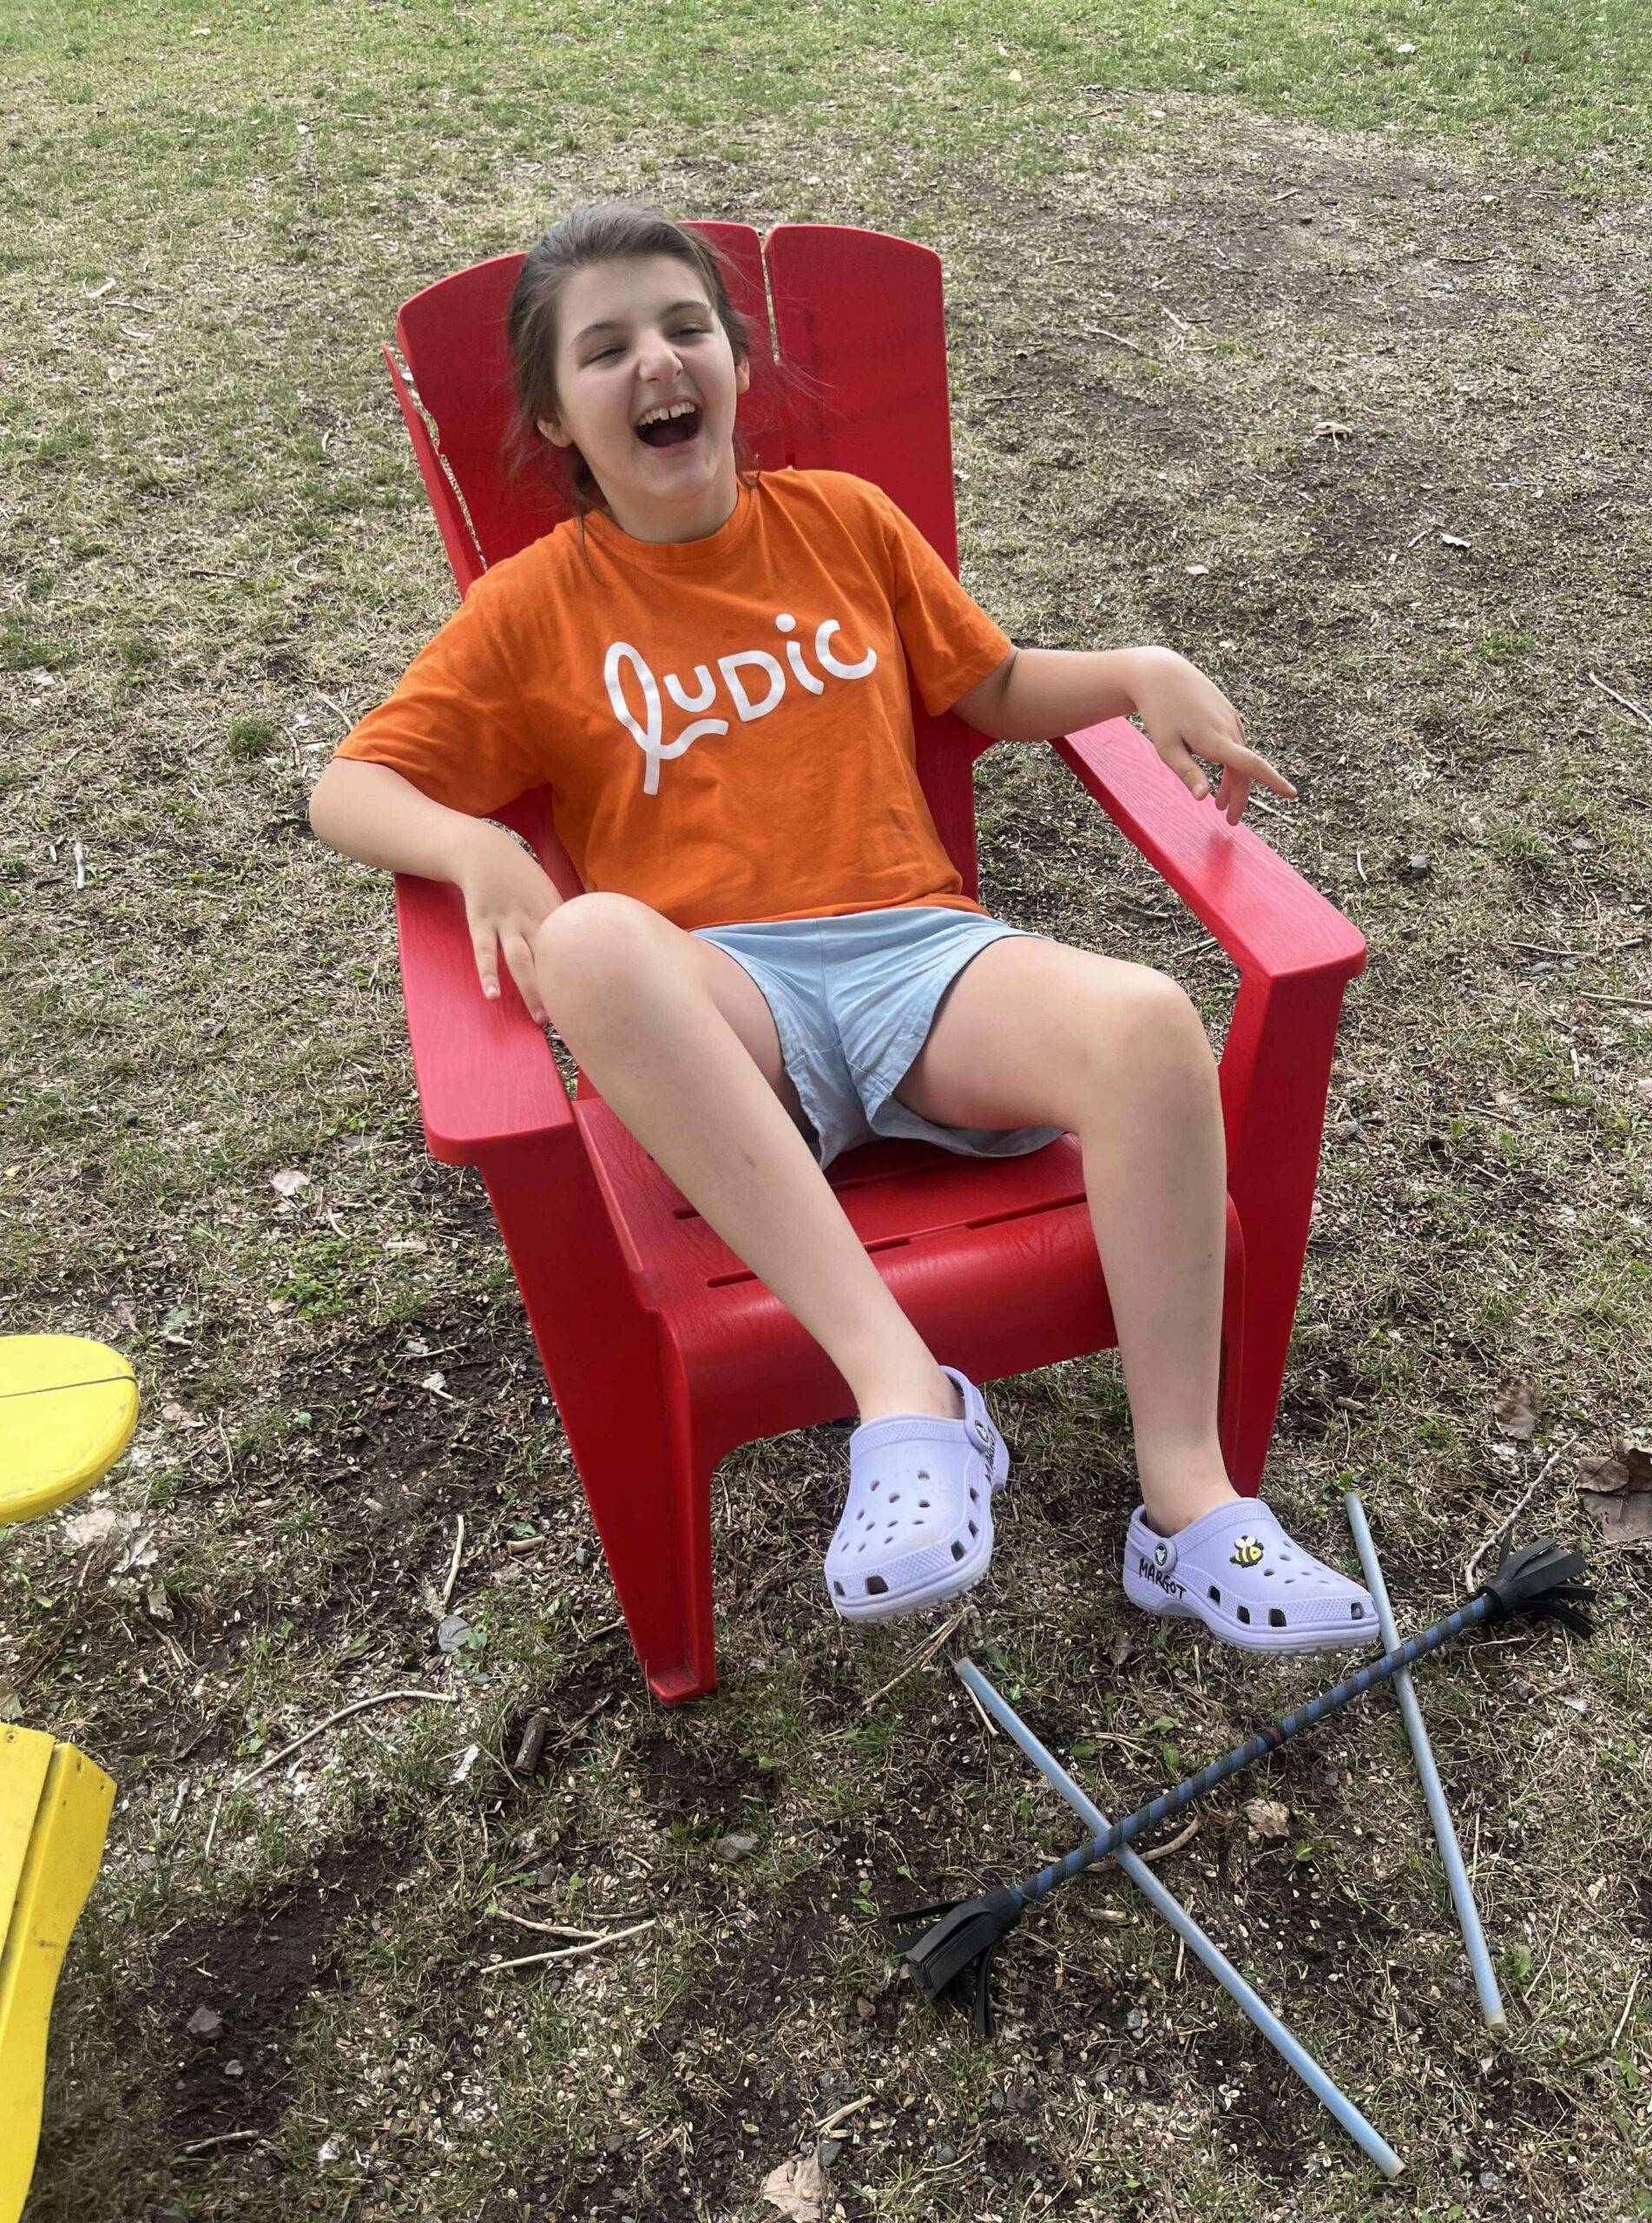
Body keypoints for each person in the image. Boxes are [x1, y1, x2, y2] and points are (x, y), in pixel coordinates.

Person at [308, 201, 1378, 1656]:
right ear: (556, 418)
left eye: (685, 328)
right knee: (594, 942)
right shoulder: (531, 610)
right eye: (604, 349)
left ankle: (1184, 1504)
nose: (656, 365)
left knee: (1143, 1021)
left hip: (919, 964)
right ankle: (906, 1390)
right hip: (722, 1009)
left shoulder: (844, 525)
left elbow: (989, 688)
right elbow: (348, 785)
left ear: (735, 360)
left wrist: (1137, 666)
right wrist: (466, 843)